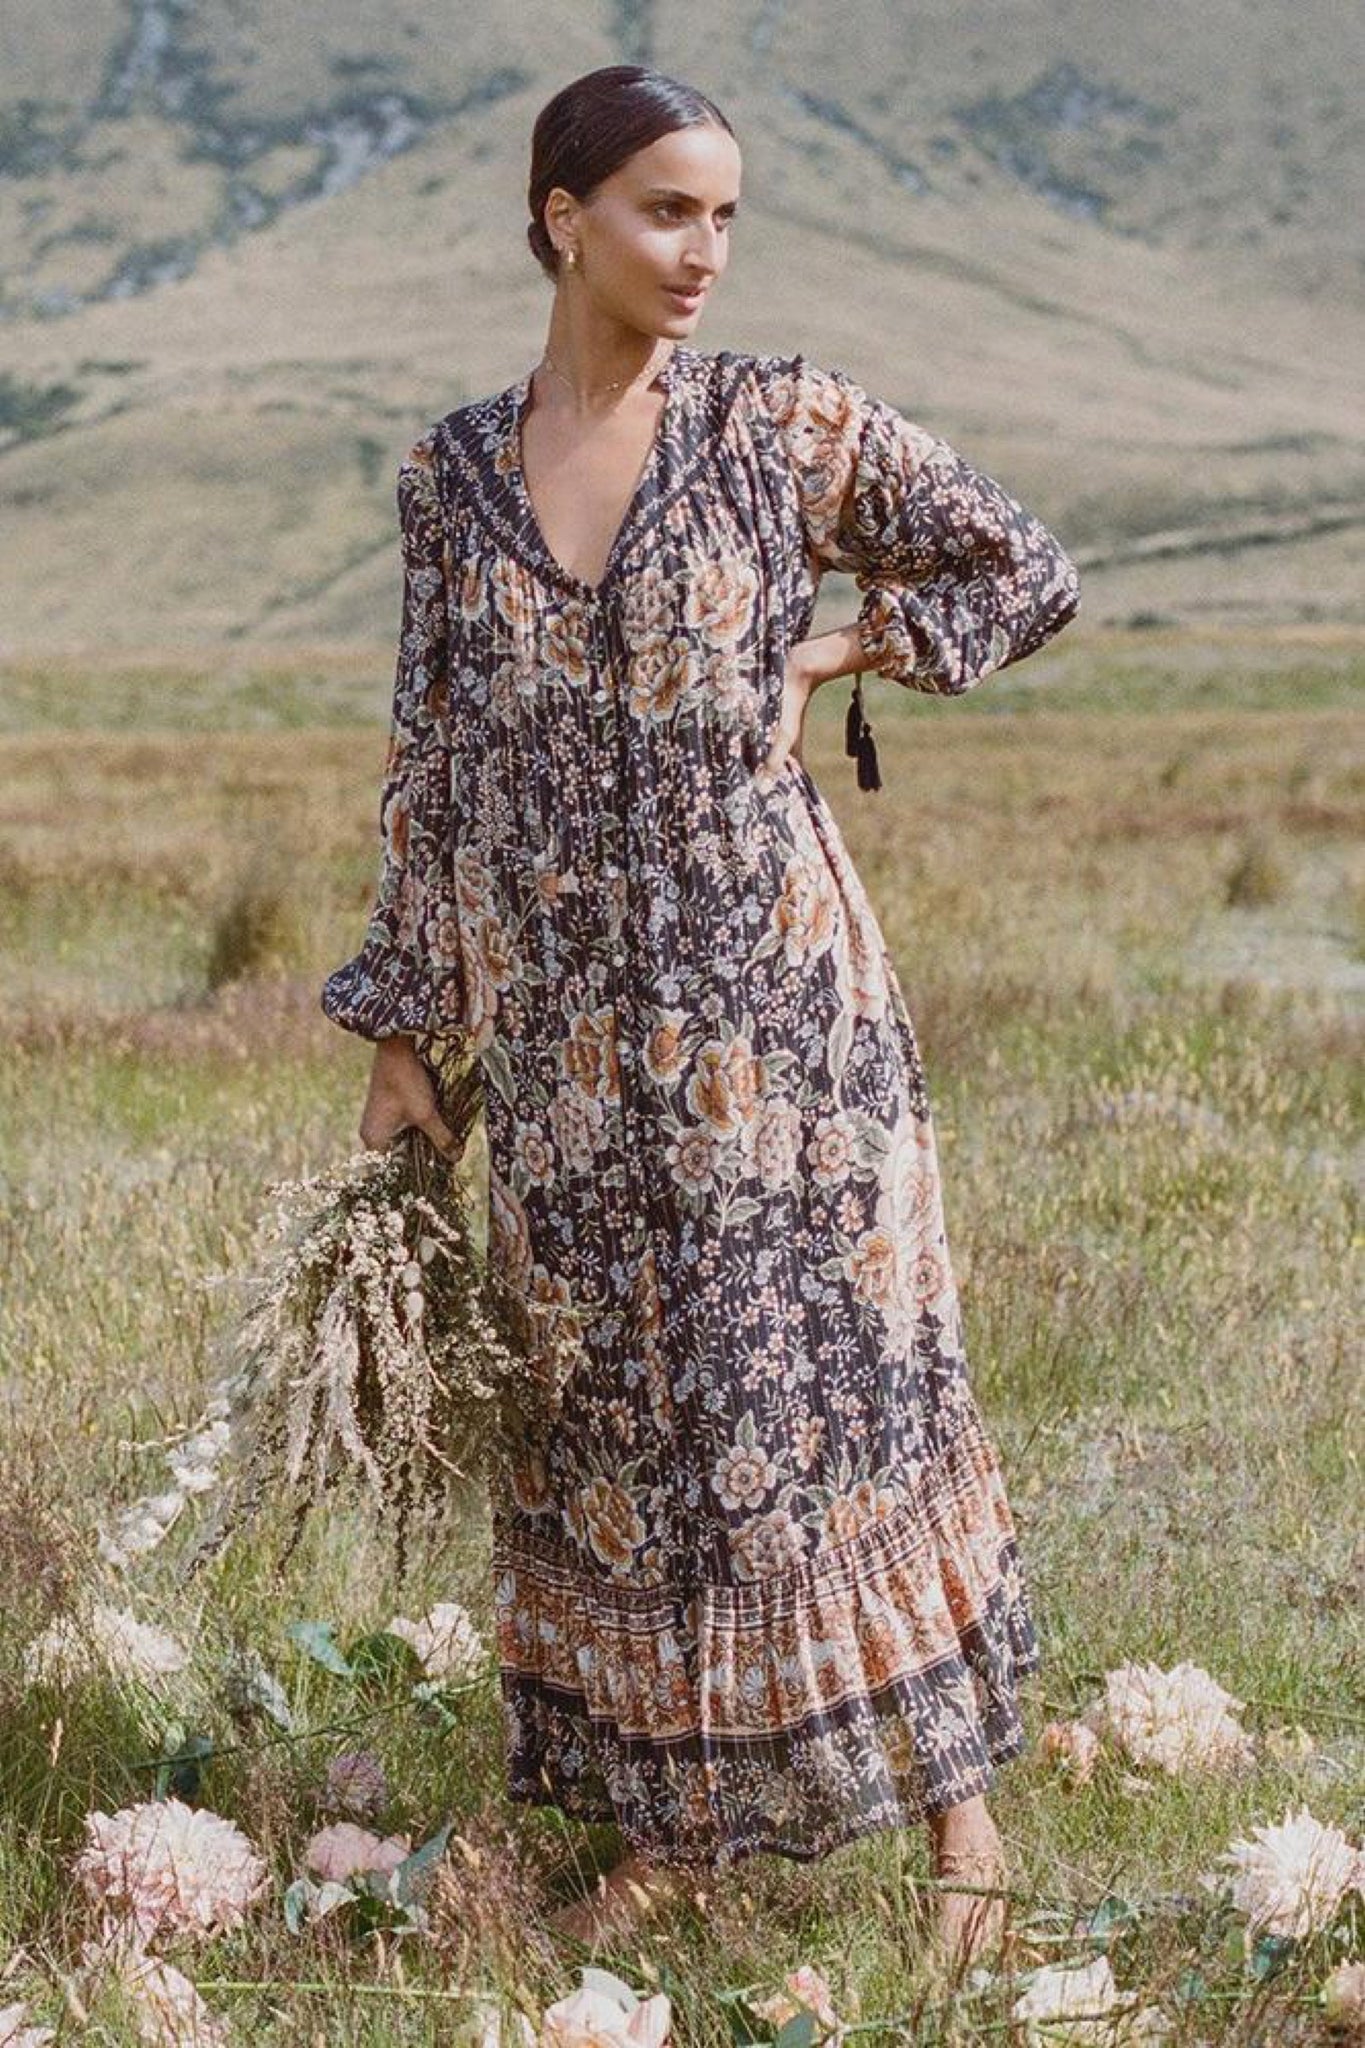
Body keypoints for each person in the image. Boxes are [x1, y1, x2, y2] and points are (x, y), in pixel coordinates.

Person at [321, 63, 1081, 1969]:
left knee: (831, 1398)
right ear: (560, 217)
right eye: (668, 209)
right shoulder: (448, 478)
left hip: (780, 1032)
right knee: (605, 1426)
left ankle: (960, 1818)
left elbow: (1022, 566)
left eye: (726, 215)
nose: (704, 252)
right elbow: (431, 764)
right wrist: (406, 1032)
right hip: (564, 1058)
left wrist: (838, 644)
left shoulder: (777, 427)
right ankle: (680, 1835)